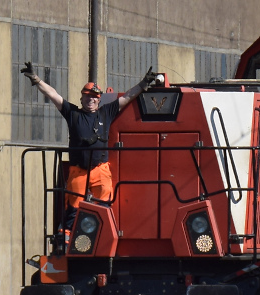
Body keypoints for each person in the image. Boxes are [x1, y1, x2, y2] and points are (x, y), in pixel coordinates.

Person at [21, 62, 162, 233]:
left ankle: (100, 235)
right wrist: (36, 80)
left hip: (100, 169)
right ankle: (66, 238)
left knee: (104, 204)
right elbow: (53, 95)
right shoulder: (72, 113)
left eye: (94, 96)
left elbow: (127, 97)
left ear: (99, 99)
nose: (91, 99)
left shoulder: (106, 112)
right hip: (78, 170)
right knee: (72, 206)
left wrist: (143, 84)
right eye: (87, 96)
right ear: (81, 98)